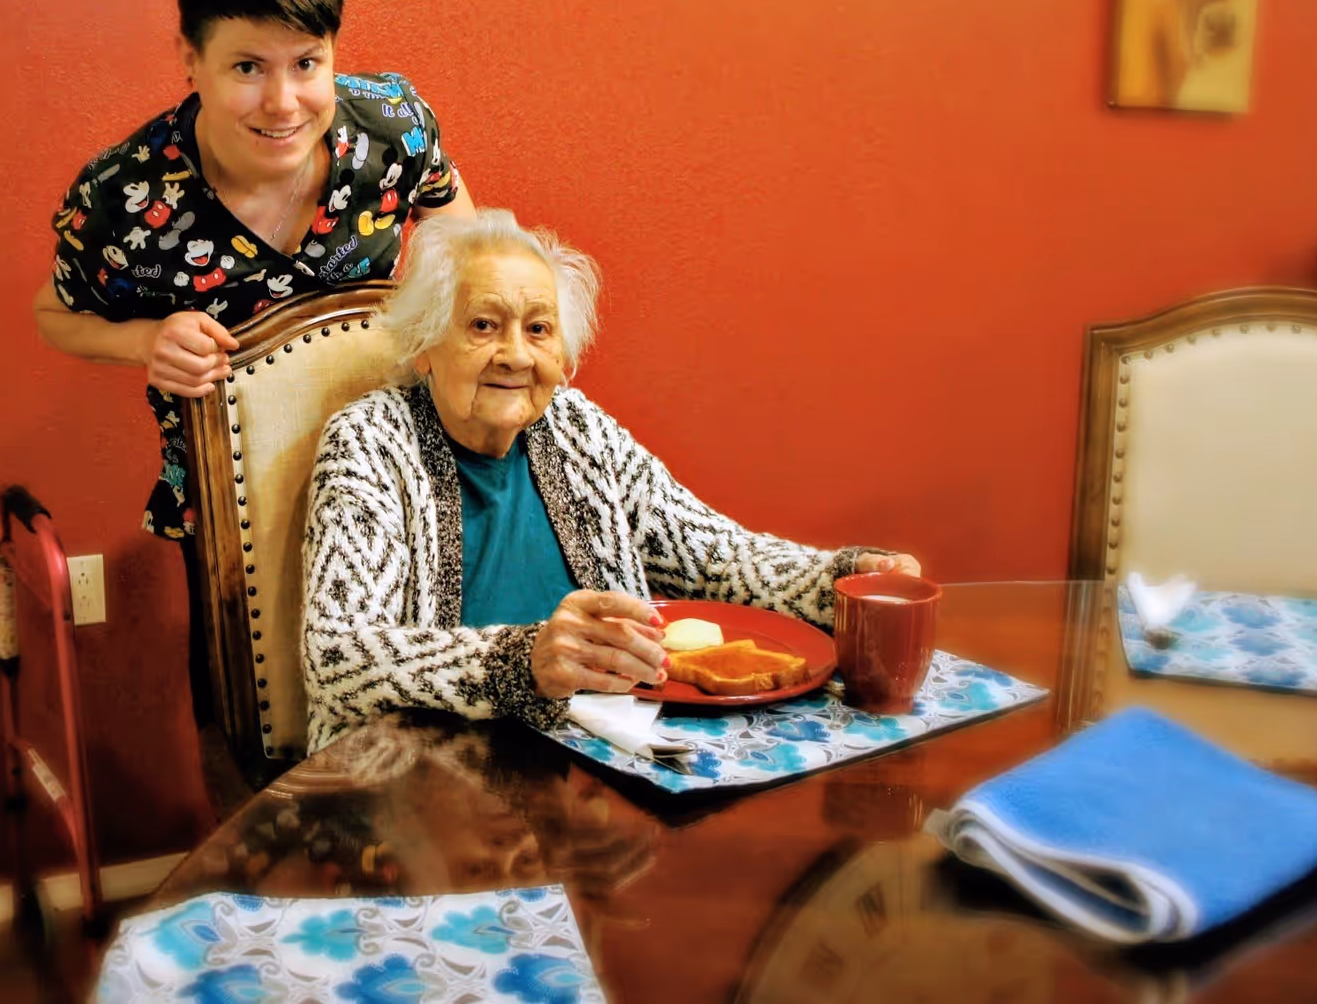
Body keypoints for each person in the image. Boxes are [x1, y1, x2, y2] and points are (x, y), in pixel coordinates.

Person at [32, 0, 475, 741]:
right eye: (247, 68)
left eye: (307, 64)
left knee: (423, 724)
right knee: (255, 733)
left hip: (408, 484)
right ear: (190, 60)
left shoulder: (393, 129)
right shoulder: (124, 195)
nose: (283, 103)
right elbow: (53, 314)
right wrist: (143, 342)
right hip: (228, 512)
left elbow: (458, 230)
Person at [300, 209, 920, 752]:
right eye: (484, 326)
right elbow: (336, 655)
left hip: (607, 755)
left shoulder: (578, 429)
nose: (517, 355)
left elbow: (714, 556)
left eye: (539, 330)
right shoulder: (369, 442)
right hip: (422, 774)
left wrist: (843, 580)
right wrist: (520, 662)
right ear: (424, 345)